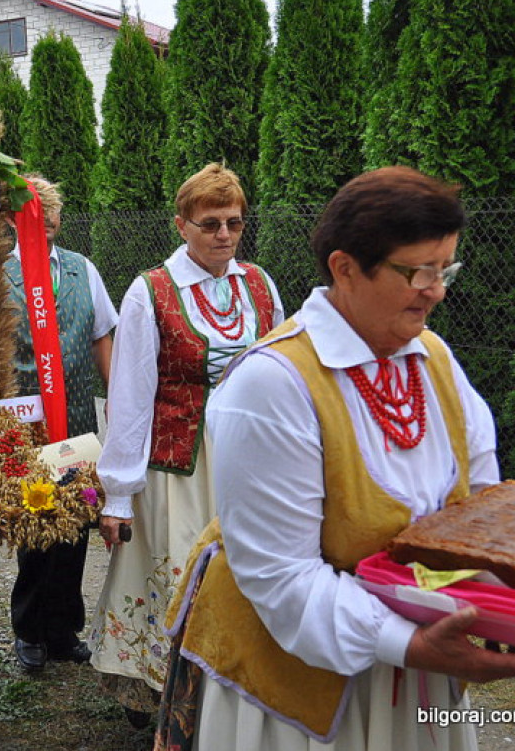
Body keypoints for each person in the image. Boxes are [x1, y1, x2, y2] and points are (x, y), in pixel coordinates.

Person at [156, 166, 515, 751]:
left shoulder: (434, 359)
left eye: (444, 268)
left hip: (421, 668)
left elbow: (480, 509)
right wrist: (408, 644)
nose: (438, 289)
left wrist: (490, 596)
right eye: (418, 271)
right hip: (299, 688)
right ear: (345, 268)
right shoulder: (271, 387)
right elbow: (282, 578)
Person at [88, 163, 284, 726]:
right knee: (176, 579)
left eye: (234, 223)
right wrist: (119, 494)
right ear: (182, 225)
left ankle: (231, 696)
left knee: (243, 578)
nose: (223, 234)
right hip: (178, 469)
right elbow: (130, 396)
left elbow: (283, 369)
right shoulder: (150, 292)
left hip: (247, 464)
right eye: (209, 224)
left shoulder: (260, 285)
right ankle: (162, 695)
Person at [3, 176, 118, 670]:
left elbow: (101, 335)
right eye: (33, 209)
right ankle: (29, 629)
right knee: (36, 524)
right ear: (14, 218)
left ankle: (64, 628)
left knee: (75, 527)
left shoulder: (81, 269)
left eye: (51, 208)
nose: (45, 217)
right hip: (25, 422)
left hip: (74, 420)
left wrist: (119, 398)